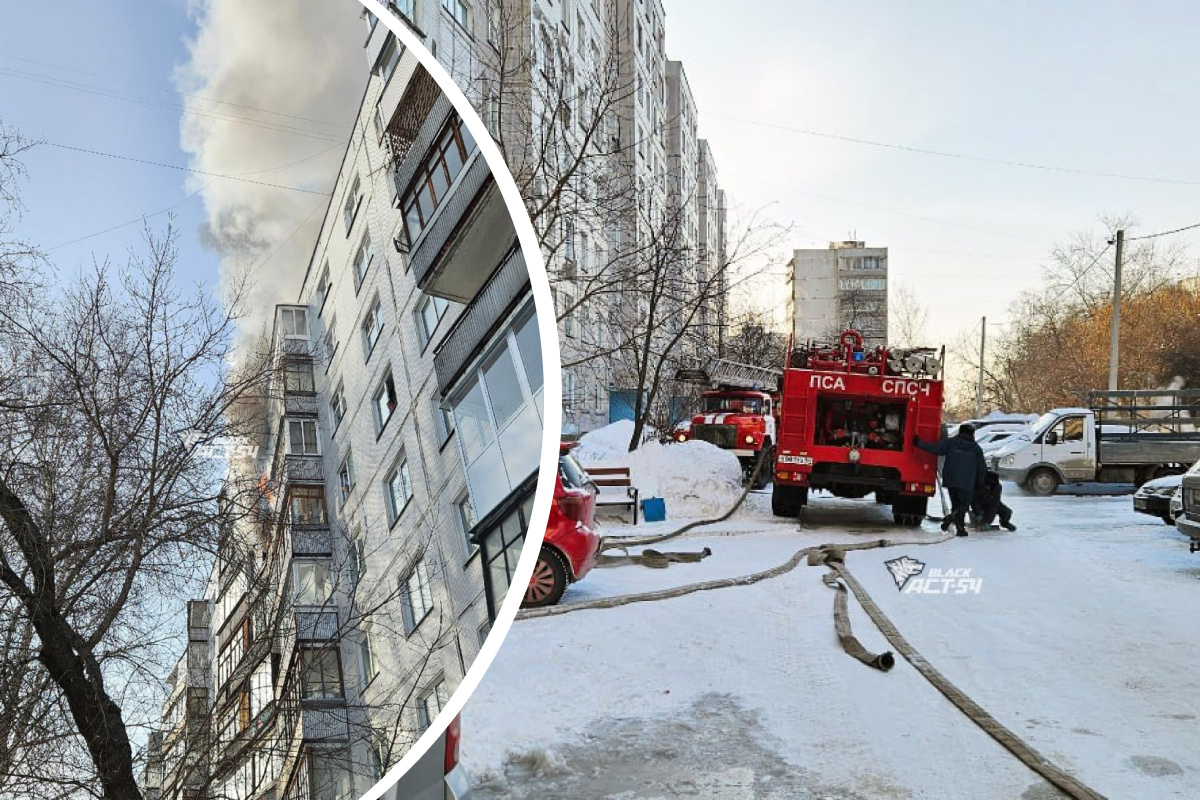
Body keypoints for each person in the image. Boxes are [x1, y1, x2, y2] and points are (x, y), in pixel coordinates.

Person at [912, 424, 988, 537]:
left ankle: (960, 528)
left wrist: (919, 443)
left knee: (956, 504)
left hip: (951, 479)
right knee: (964, 506)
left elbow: (936, 449)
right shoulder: (976, 449)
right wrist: (980, 483)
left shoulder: (951, 443)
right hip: (967, 482)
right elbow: (982, 468)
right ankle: (951, 518)